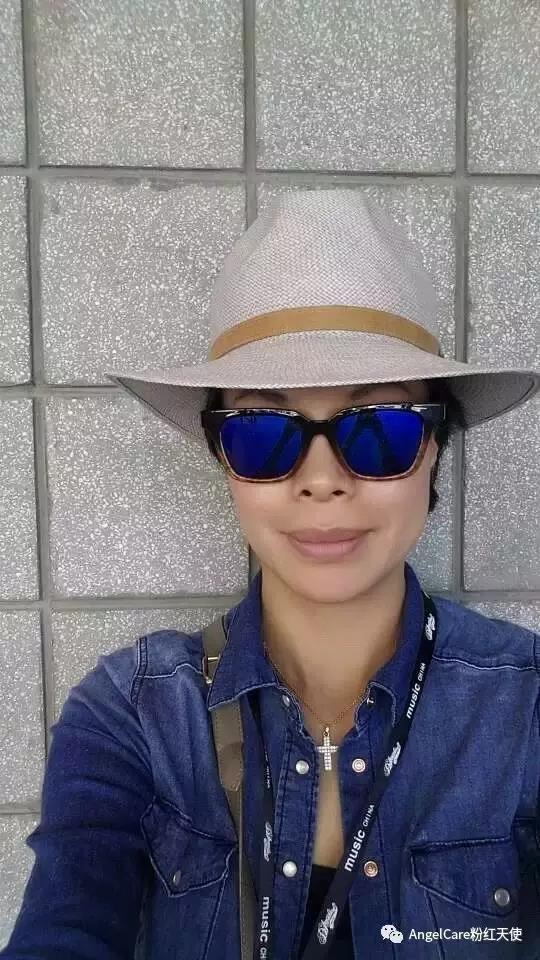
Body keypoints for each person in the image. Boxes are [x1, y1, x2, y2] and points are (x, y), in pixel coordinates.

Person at [1, 189, 538, 959]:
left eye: (380, 430)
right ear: (223, 459)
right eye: (262, 433)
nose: (321, 480)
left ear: (434, 449)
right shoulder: (134, 718)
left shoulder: (525, 706)